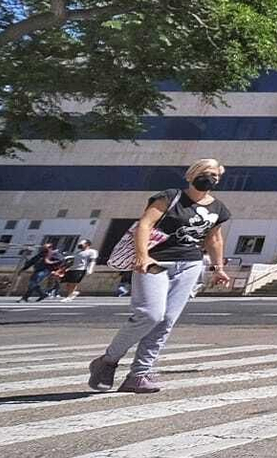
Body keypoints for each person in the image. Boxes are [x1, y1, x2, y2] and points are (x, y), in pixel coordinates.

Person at [87, 160, 232, 394]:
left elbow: (214, 239)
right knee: (150, 314)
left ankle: (139, 374)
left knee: (166, 321)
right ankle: (108, 361)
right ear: (192, 175)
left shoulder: (219, 209)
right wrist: (143, 255)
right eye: (205, 173)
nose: (210, 178)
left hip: (190, 264)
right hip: (156, 261)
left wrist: (218, 268)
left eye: (215, 175)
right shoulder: (170, 196)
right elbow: (145, 224)